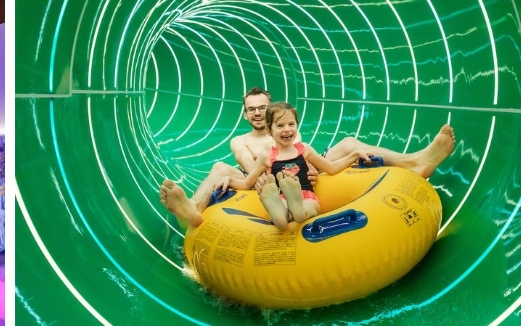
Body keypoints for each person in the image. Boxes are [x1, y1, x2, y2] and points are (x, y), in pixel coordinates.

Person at [159, 87, 456, 228]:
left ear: (272, 110)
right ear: (245, 113)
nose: (258, 112)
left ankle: (414, 161)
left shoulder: (286, 130)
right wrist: (249, 178)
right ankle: (192, 209)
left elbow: (306, 159)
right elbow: (256, 172)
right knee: (219, 167)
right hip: (265, 181)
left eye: (263, 107)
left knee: (350, 141)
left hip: (301, 179)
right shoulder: (241, 141)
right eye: (252, 109)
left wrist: (317, 171)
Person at [217, 102, 373, 230]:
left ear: (297, 126)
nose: (287, 129)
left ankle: (294, 210)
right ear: (269, 130)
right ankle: (282, 212)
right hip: (282, 198)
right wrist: (228, 179)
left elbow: (330, 168)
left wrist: (354, 154)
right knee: (284, 209)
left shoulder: (303, 149)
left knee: (308, 207)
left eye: (291, 124)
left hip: (305, 195)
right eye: (280, 125)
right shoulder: (266, 156)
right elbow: (247, 183)